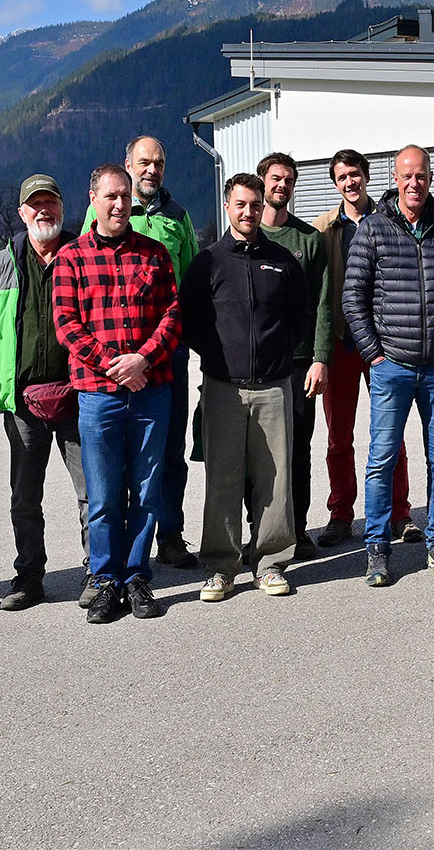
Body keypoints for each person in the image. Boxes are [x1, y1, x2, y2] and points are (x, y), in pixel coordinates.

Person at [55, 164, 182, 624]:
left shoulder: (155, 254)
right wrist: (116, 365)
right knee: (105, 493)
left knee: (147, 489)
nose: (119, 204)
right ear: (93, 199)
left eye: (125, 196)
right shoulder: (71, 258)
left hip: (150, 390)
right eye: (110, 196)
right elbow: (67, 325)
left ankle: (136, 576)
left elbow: (172, 314)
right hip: (98, 394)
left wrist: (142, 360)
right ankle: (105, 579)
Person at [343, 145, 434, 585]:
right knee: (382, 458)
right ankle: (377, 548)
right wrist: (373, 353)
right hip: (392, 365)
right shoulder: (374, 230)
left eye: (421, 175)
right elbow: (353, 297)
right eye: (406, 176)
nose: (414, 183)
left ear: (430, 178)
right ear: (395, 179)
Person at [184, 173, 314, 601]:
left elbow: (301, 316)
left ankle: (271, 562)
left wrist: (279, 355)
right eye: (240, 204)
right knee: (223, 479)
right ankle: (221, 567)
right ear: (227, 207)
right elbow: (192, 322)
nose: (248, 212)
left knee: (275, 480)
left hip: (275, 387)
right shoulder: (207, 263)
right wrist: (220, 360)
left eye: (254, 205)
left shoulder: (282, 261)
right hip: (223, 387)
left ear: (262, 208)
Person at [0, 174, 88, 611]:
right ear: (22, 214)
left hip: (79, 396)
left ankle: (96, 572)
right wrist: (7, 365)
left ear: (62, 208)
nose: (44, 211)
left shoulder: (82, 255)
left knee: (90, 491)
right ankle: (29, 577)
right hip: (23, 402)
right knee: (25, 496)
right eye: (35, 205)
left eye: (51, 204)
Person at [84, 136, 200, 568]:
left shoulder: (178, 216)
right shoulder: (101, 215)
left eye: (160, 163)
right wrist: (112, 361)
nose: (153, 170)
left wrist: (171, 346)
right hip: (111, 363)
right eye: (145, 162)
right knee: (115, 462)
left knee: (168, 451)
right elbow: (83, 288)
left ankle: (170, 535)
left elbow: (187, 289)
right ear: (128, 164)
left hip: (166, 353)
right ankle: (111, 556)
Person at [313, 149, 421, 548]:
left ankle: (400, 512)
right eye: (342, 176)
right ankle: (341, 513)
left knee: (391, 434)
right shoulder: (323, 229)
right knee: (338, 436)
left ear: (368, 176)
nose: (350, 182)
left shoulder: (390, 220)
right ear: (335, 182)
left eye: (355, 174)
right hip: (342, 343)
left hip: (386, 342)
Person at [252, 153, 332, 560]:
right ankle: (259, 531)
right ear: (262, 181)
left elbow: (323, 302)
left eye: (288, 180)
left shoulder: (308, 240)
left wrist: (321, 358)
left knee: (299, 451)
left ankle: (297, 529)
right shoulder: (249, 236)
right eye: (275, 178)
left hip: (300, 364)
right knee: (261, 452)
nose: (281, 185)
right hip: (259, 365)